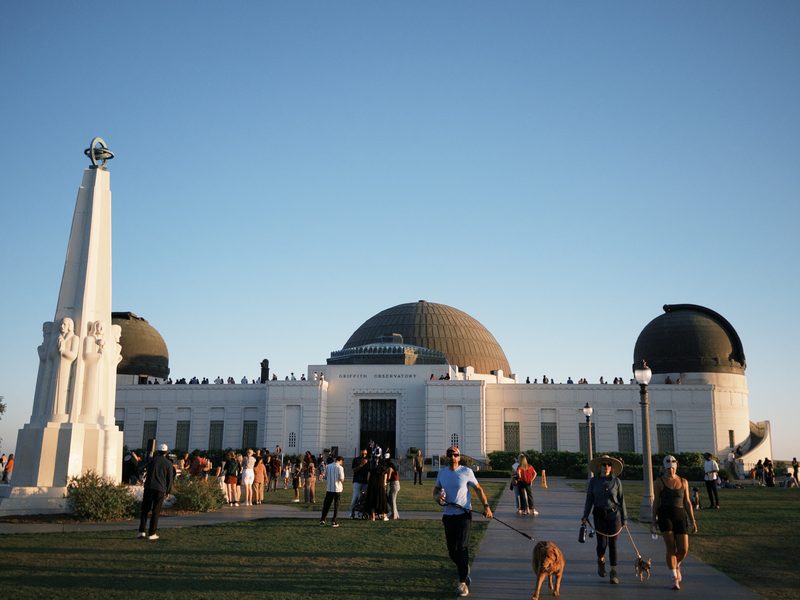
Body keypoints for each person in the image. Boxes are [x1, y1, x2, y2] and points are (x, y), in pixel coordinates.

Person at [433, 445, 493, 598]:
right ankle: (464, 569)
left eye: (455, 455)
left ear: (459, 457)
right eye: (450, 455)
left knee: (461, 547)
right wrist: (437, 497)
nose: (452, 457)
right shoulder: (442, 473)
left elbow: (478, 489)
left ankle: (463, 583)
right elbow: (436, 490)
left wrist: (486, 506)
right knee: (452, 551)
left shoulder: (466, 472)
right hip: (448, 515)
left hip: (463, 515)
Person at [652, 455, 698, 591]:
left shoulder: (683, 481)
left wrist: (692, 521)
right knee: (670, 548)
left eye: (672, 468)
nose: (670, 470)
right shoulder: (659, 482)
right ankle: (674, 578)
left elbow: (687, 502)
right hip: (665, 516)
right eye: (668, 468)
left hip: (680, 515)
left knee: (683, 549)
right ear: (664, 468)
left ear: (676, 466)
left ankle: (675, 564)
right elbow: (656, 502)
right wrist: (653, 521)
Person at [581, 455, 627, 585]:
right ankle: (601, 560)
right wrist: (585, 515)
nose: (606, 467)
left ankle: (613, 572)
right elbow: (589, 499)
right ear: (599, 467)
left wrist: (624, 518)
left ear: (611, 468)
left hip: (614, 515)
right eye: (604, 464)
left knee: (613, 544)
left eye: (609, 465)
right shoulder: (594, 481)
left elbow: (621, 500)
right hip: (599, 515)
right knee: (602, 544)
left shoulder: (616, 481)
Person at [137, 443, 175, 540]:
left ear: (158, 451)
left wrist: (141, 478)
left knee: (145, 510)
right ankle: (152, 533)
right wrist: (168, 491)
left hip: (148, 487)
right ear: (166, 452)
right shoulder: (168, 463)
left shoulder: (152, 460)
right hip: (160, 489)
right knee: (155, 511)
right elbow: (170, 479)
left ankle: (141, 532)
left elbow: (141, 468)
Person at [320, 455, 345, 527]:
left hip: (329, 488)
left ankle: (322, 520)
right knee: (336, 506)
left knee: (326, 505)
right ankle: (334, 521)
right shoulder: (340, 467)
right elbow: (342, 478)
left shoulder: (328, 466)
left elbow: (325, 476)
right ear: (340, 460)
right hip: (337, 489)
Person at [350, 449, 369, 518]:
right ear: (360, 453)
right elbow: (354, 470)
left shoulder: (368, 460)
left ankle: (361, 512)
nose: (364, 455)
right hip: (357, 481)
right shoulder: (356, 460)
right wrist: (361, 465)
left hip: (365, 482)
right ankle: (352, 512)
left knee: (364, 498)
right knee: (356, 496)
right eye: (363, 453)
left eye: (365, 454)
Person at [386, 453, 401, 519]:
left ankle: (394, 515)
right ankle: (396, 514)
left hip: (394, 484)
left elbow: (388, 478)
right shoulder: (393, 468)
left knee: (392, 500)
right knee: (391, 499)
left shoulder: (390, 468)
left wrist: (385, 482)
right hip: (395, 484)